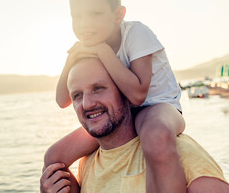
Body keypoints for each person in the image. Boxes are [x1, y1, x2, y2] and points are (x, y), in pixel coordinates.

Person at [45, 0, 186, 193]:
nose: (84, 23)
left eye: (95, 14)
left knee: (155, 135)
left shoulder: (136, 34)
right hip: (122, 117)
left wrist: (102, 51)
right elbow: (63, 100)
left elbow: (138, 94)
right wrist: (72, 57)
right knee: (54, 157)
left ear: (118, 15)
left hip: (158, 108)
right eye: (77, 16)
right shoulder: (86, 45)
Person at [40, 58, 229, 193]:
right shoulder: (87, 163)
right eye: (77, 95)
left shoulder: (178, 153)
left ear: (126, 94)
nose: (87, 104)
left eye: (98, 89)